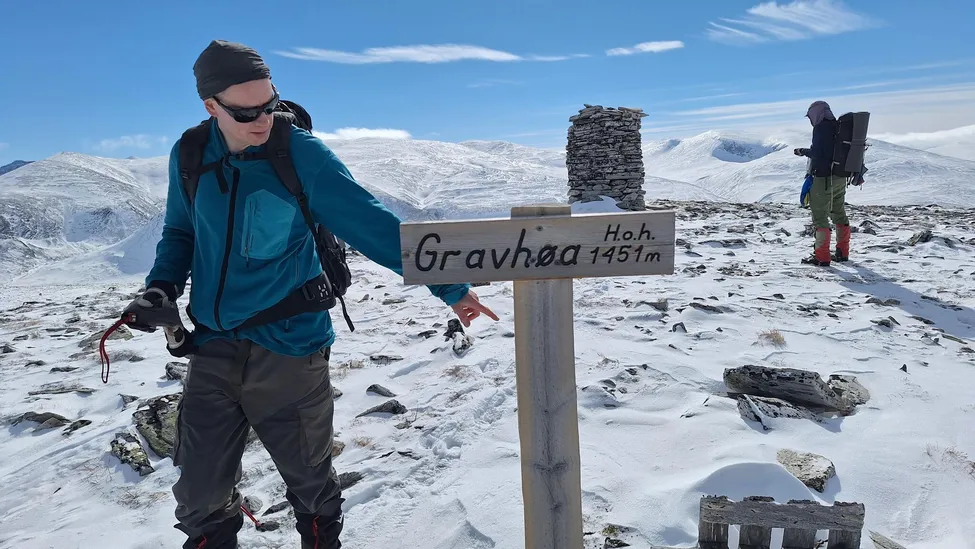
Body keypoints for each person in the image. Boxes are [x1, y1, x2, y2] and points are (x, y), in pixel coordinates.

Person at [123, 40, 499, 549]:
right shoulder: (190, 153)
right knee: (199, 494)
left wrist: (451, 288)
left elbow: (373, 225)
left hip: (291, 345)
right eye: (246, 112)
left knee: (309, 482)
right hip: (212, 345)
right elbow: (181, 232)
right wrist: (161, 286)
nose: (263, 119)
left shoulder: (300, 153)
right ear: (211, 106)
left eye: (270, 103)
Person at [793, 100, 850, 266]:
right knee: (838, 212)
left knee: (820, 217)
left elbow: (818, 153)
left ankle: (822, 256)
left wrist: (803, 151)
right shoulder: (839, 127)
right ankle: (842, 252)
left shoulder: (821, 128)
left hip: (823, 179)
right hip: (840, 177)